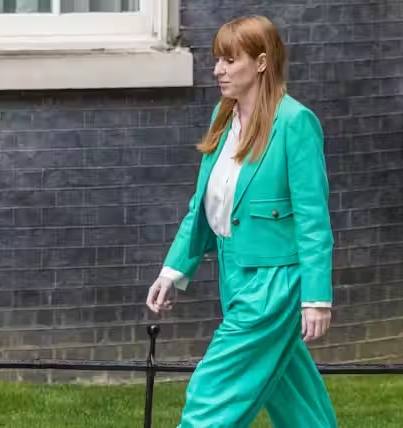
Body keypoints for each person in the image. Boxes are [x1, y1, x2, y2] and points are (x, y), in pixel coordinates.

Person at [145, 15, 338, 428]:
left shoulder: (295, 123)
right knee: (293, 393)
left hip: (276, 279)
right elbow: (203, 204)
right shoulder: (224, 115)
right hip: (233, 270)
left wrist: (316, 298)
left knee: (214, 389)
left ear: (262, 63)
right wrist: (173, 270)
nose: (218, 70)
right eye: (218, 60)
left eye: (230, 61)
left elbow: (313, 219)